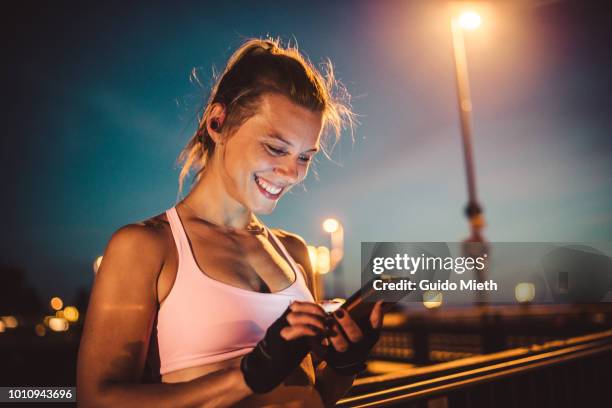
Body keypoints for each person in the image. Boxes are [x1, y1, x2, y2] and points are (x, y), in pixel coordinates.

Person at [77, 38, 386, 407]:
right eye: (275, 148)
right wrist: (247, 376)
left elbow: (314, 394)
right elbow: (97, 399)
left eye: (305, 156)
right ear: (218, 122)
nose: (291, 173)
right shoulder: (147, 246)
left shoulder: (294, 251)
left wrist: (345, 364)